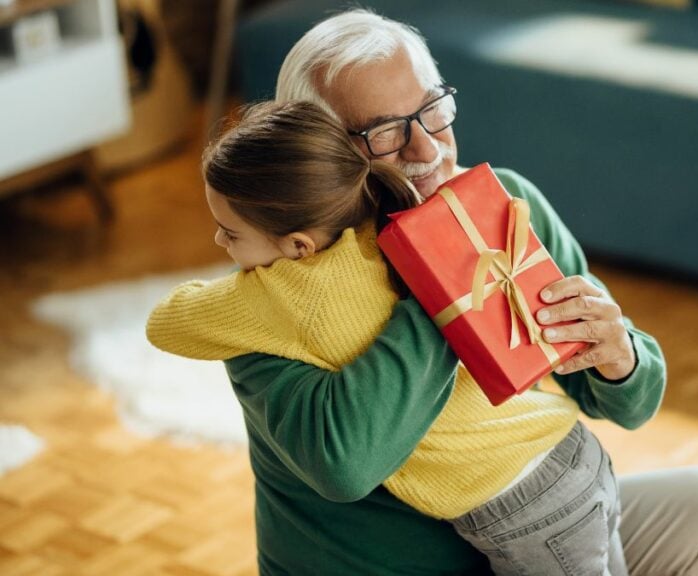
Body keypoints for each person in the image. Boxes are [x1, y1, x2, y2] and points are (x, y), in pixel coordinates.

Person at [197, 8, 698, 575]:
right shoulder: (268, 299)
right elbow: (343, 467)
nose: (427, 151)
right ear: (319, 150)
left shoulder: (504, 203)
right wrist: (442, 281)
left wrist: (619, 358)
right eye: (385, 133)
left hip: (535, 536)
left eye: (433, 111)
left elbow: (628, 402)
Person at [147, 99, 629, 575]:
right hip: (571, 450)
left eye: (229, 233)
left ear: (299, 246)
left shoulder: (278, 296)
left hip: (529, 512)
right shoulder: (390, 236)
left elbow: (164, 323)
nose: (218, 243)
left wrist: (242, 284)